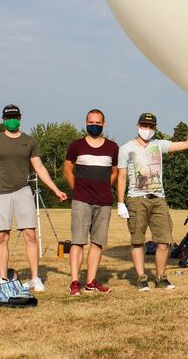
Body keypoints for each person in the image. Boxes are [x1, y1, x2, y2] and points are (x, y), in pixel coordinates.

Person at [0, 104, 68, 291]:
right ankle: (2, 278)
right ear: (3, 119)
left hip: (23, 191)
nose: (12, 120)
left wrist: (55, 189)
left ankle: (35, 278)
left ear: (20, 118)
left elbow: (40, 168)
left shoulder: (29, 141)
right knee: (2, 236)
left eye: (15, 117)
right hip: (1, 192)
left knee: (30, 234)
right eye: (9, 117)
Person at [117, 112, 188, 291]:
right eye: (144, 126)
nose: (147, 130)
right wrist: (120, 203)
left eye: (150, 127)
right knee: (137, 241)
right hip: (136, 199)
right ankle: (142, 278)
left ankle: (161, 278)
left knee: (164, 241)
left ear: (155, 129)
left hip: (158, 199)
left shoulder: (159, 145)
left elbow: (186, 144)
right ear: (137, 126)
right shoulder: (125, 148)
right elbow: (121, 177)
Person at [64, 109, 119, 296]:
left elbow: (114, 172)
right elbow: (68, 171)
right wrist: (78, 190)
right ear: (86, 122)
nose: (94, 125)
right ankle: (74, 282)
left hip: (104, 201)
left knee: (97, 242)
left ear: (103, 124)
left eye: (97, 123)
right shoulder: (76, 145)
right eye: (91, 122)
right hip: (81, 201)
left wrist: (103, 187)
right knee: (78, 242)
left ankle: (91, 282)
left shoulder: (113, 147)